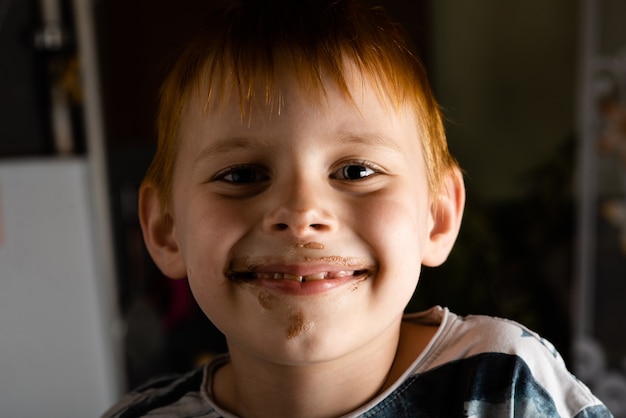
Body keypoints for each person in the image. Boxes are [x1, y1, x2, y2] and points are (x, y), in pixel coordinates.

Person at [102, 0, 612, 416]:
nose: (301, 213)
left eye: (355, 172)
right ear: (167, 230)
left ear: (436, 216)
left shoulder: (504, 383)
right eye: (241, 175)